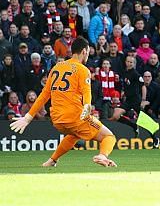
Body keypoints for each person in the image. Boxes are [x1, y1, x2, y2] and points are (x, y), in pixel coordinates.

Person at [9, 37, 118, 167]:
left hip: (57, 119)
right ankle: (102, 156)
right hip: (76, 116)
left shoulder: (57, 67)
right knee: (109, 137)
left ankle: (52, 160)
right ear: (84, 51)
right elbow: (86, 92)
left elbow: (44, 95)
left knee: (74, 134)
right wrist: (87, 106)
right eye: (88, 51)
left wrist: (28, 117)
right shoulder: (83, 70)